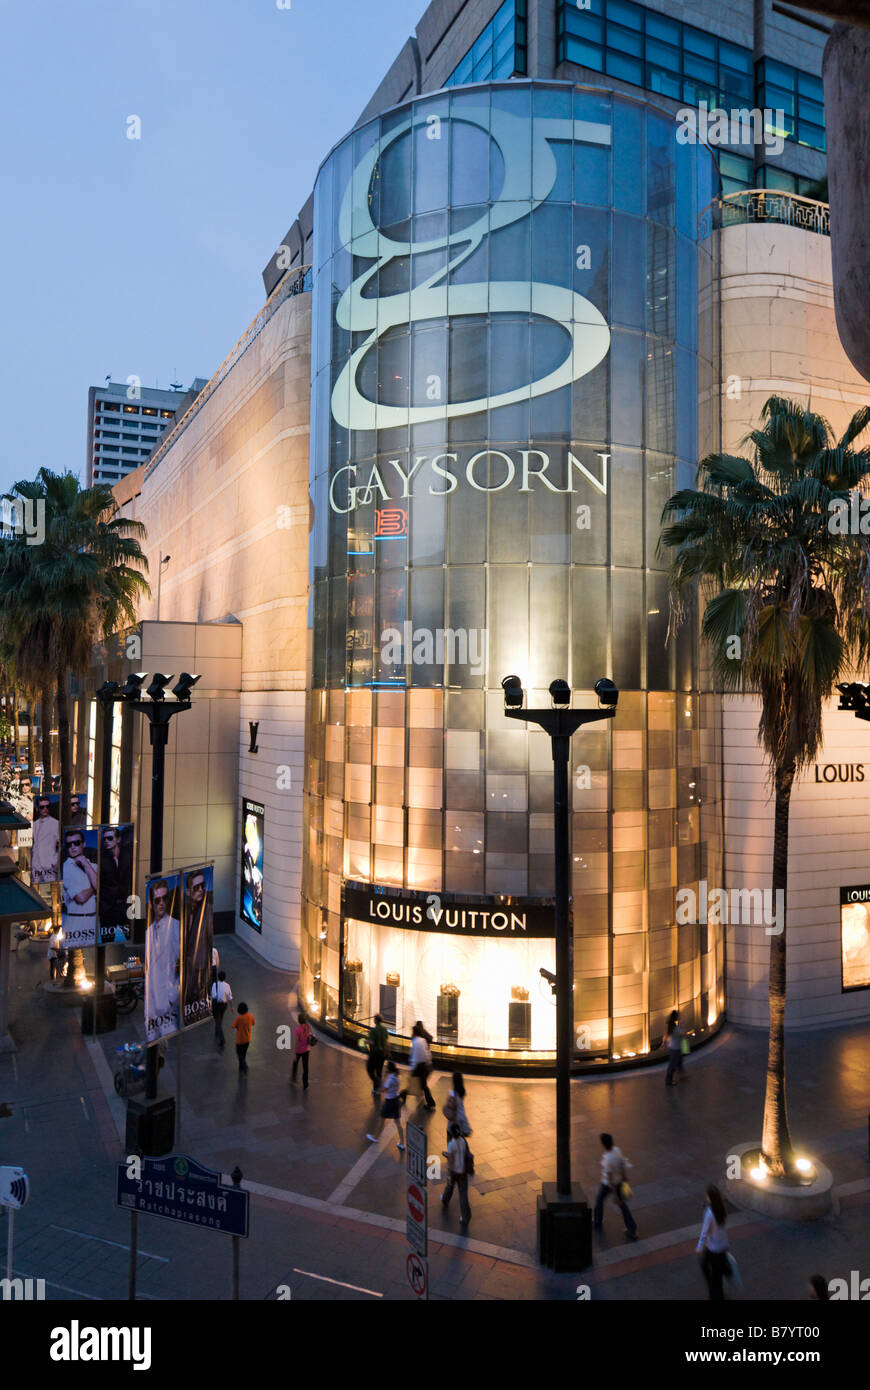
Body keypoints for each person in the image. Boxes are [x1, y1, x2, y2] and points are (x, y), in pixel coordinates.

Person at [145, 878, 181, 1041]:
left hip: (168, 1001)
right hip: (151, 1003)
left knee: (170, 1041)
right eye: (157, 900)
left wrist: (174, 994)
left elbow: (185, 961)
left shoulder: (175, 926)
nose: (161, 903)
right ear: (151, 903)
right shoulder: (149, 932)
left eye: (164, 898)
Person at [593, 1133, 638, 1240]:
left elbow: (610, 1179)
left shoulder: (608, 1159)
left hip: (607, 1185)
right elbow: (622, 1165)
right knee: (623, 1206)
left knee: (599, 1200)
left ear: (603, 1144)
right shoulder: (617, 1150)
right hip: (619, 1182)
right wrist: (625, 1178)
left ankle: (598, 1221)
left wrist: (615, 1195)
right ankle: (632, 1228)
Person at [61, 830, 98, 948]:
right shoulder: (66, 868)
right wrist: (95, 887)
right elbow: (81, 898)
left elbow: (99, 887)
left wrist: (86, 864)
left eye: (76, 843)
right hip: (75, 923)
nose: (73, 847)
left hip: (93, 920)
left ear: (83, 844)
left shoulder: (93, 866)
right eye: (69, 844)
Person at [98, 826, 133, 944]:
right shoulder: (101, 859)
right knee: (107, 941)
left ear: (118, 839)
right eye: (104, 839)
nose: (106, 841)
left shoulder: (128, 855)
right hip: (108, 909)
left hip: (126, 907)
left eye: (109, 838)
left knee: (131, 940)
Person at [697, 1185, 730, 1300]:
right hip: (722, 1246)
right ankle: (718, 1294)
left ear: (710, 1197)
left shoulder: (710, 1213)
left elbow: (704, 1231)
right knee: (718, 1274)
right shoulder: (722, 1208)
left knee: (705, 1267)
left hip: (713, 1248)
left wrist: (699, 1247)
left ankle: (714, 1294)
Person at [366, 1060, 405, 1150]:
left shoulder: (390, 1079)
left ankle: (375, 1137)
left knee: (381, 1119)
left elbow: (382, 1089)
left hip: (389, 1101)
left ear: (389, 1069)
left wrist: (384, 1076)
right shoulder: (398, 1076)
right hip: (396, 1100)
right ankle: (402, 1143)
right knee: (398, 1123)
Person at [441, 1122, 472, 1230]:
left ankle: (445, 1200)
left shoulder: (451, 1144)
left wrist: (449, 1173)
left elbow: (451, 1160)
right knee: (463, 1195)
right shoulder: (463, 1141)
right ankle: (466, 1217)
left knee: (449, 1186)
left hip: (454, 1172)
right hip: (463, 1172)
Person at [401, 1020, 435, 1109]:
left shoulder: (415, 1042)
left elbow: (414, 1056)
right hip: (423, 1066)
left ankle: (402, 1094)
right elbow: (426, 1053)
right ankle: (430, 1103)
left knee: (415, 1084)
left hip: (417, 1067)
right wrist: (428, 1062)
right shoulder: (423, 1040)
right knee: (422, 1085)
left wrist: (412, 1068)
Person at [31, 796, 58, 884]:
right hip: (36, 864)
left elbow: (61, 844)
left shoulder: (55, 823)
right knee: (35, 891)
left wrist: (54, 860)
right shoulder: (34, 824)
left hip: (49, 865)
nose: (45, 809)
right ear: (37, 808)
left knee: (52, 890)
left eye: (47, 806)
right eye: (42, 807)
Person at [442, 1072, 471, 1145]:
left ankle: (450, 1152)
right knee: (460, 1136)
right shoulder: (462, 1091)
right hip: (461, 1116)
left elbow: (451, 1106)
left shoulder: (452, 1093)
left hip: (454, 1118)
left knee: (449, 1134)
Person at [366, 1013, 389, 1094]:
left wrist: (366, 1041)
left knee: (370, 1070)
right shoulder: (384, 1029)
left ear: (375, 1020)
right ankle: (377, 1089)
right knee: (379, 1071)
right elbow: (386, 1041)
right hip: (382, 1054)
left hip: (374, 1053)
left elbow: (371, 1042)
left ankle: (377, 1084)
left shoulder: (374, 1030)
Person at [211, 970, 233, 1050]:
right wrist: (232, 1007)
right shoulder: (227, 985)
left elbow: (213, 996)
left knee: (218, 1021)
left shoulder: (215, 985)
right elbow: (230, 997)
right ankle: (216, 1031)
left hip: (217, 1005)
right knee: (220, 1020)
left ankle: (222, 1039)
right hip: (224, 1005)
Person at [232, 1002, 255, 1074]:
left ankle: (244, 1066)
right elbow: (253, 1023)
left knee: (240, 1055)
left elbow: (233, 1026)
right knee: (244, 1054)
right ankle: (241, 1067)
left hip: (239, 1041)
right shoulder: (250, 1016)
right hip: (247, 1039)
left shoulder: (238, 1018)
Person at [292, 1009, 312, 1089]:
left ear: (299, 1021)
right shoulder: (307, 1027)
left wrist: (294, 1053)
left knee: (295, 1064)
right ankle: (305, 1084)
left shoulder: (298, 1030)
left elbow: (297, 1042)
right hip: (306, 1050)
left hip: (299, 1050)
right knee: (305, 1067)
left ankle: (293, 1078)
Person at [665, 1009, 685, 1087]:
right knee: (673, 1065)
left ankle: (679, 1076)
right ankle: (669, 1081)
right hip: (675, 1048)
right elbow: (682, 1034)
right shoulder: (675, 1028)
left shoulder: (671, 1026)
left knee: (678, 1063)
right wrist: (681, 1025)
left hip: (673, 1047)